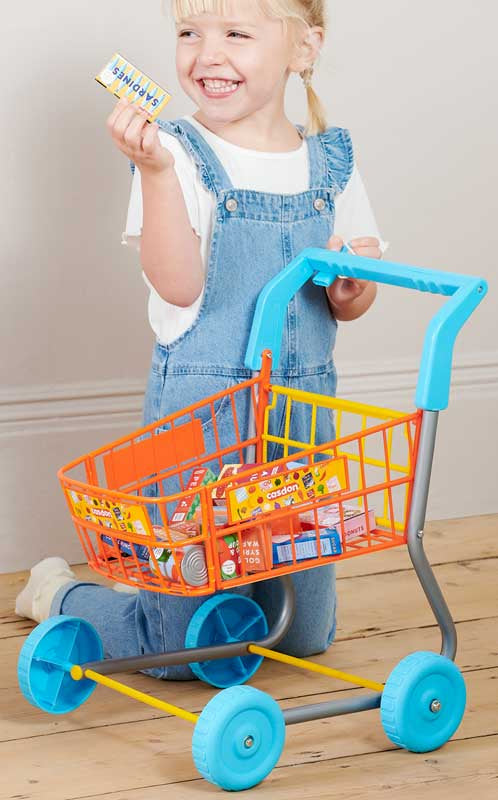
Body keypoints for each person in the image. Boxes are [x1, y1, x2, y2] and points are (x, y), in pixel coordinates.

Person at [16, 0, 384, 679]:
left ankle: (181, 593)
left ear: (303, 51)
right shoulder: (177, 153)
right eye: (190, 33)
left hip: (299, 425)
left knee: (303, 637)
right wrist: (154, 175)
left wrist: (350, 290)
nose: (206, 53)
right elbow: (180, 285)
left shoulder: (331, 162)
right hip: (205, 421)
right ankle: (63, 594)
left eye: (236, 34)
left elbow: (358, 281)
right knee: (178, 652)